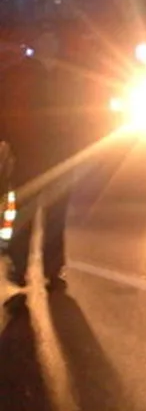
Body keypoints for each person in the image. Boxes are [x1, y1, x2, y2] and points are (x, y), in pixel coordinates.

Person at [0, 25, 93, 291]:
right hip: (28, 153)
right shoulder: (19, 73)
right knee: (25, 213)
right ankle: (18, 267)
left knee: (56, 216)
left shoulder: (67, 74)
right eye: (44, 38)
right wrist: (10, 139)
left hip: (60, 156)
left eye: (53, 38)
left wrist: (79, 142)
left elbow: (83, 110)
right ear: (36, 41)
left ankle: (53, 268)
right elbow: (6, 107)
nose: (49, 43)